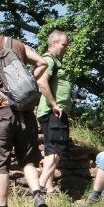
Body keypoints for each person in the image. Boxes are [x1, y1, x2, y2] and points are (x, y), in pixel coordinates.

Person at [0, 13, 58, 207]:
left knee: (0, 163)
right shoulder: (15, 44)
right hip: (24, 111)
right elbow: (41, 63)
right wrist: (29, 78)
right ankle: (38, 196)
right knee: (27, 159)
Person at [35, 30, 72, 194]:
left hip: (51, 113)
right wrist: (54, 104)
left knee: (51, 151)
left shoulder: (53, 61)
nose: (67, 48)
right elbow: (42, 82)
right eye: (64, 44)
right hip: (54, 113)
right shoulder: (49, 60)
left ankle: (48, 189)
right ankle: (39, 188)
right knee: (56, 152)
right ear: (53, 43)